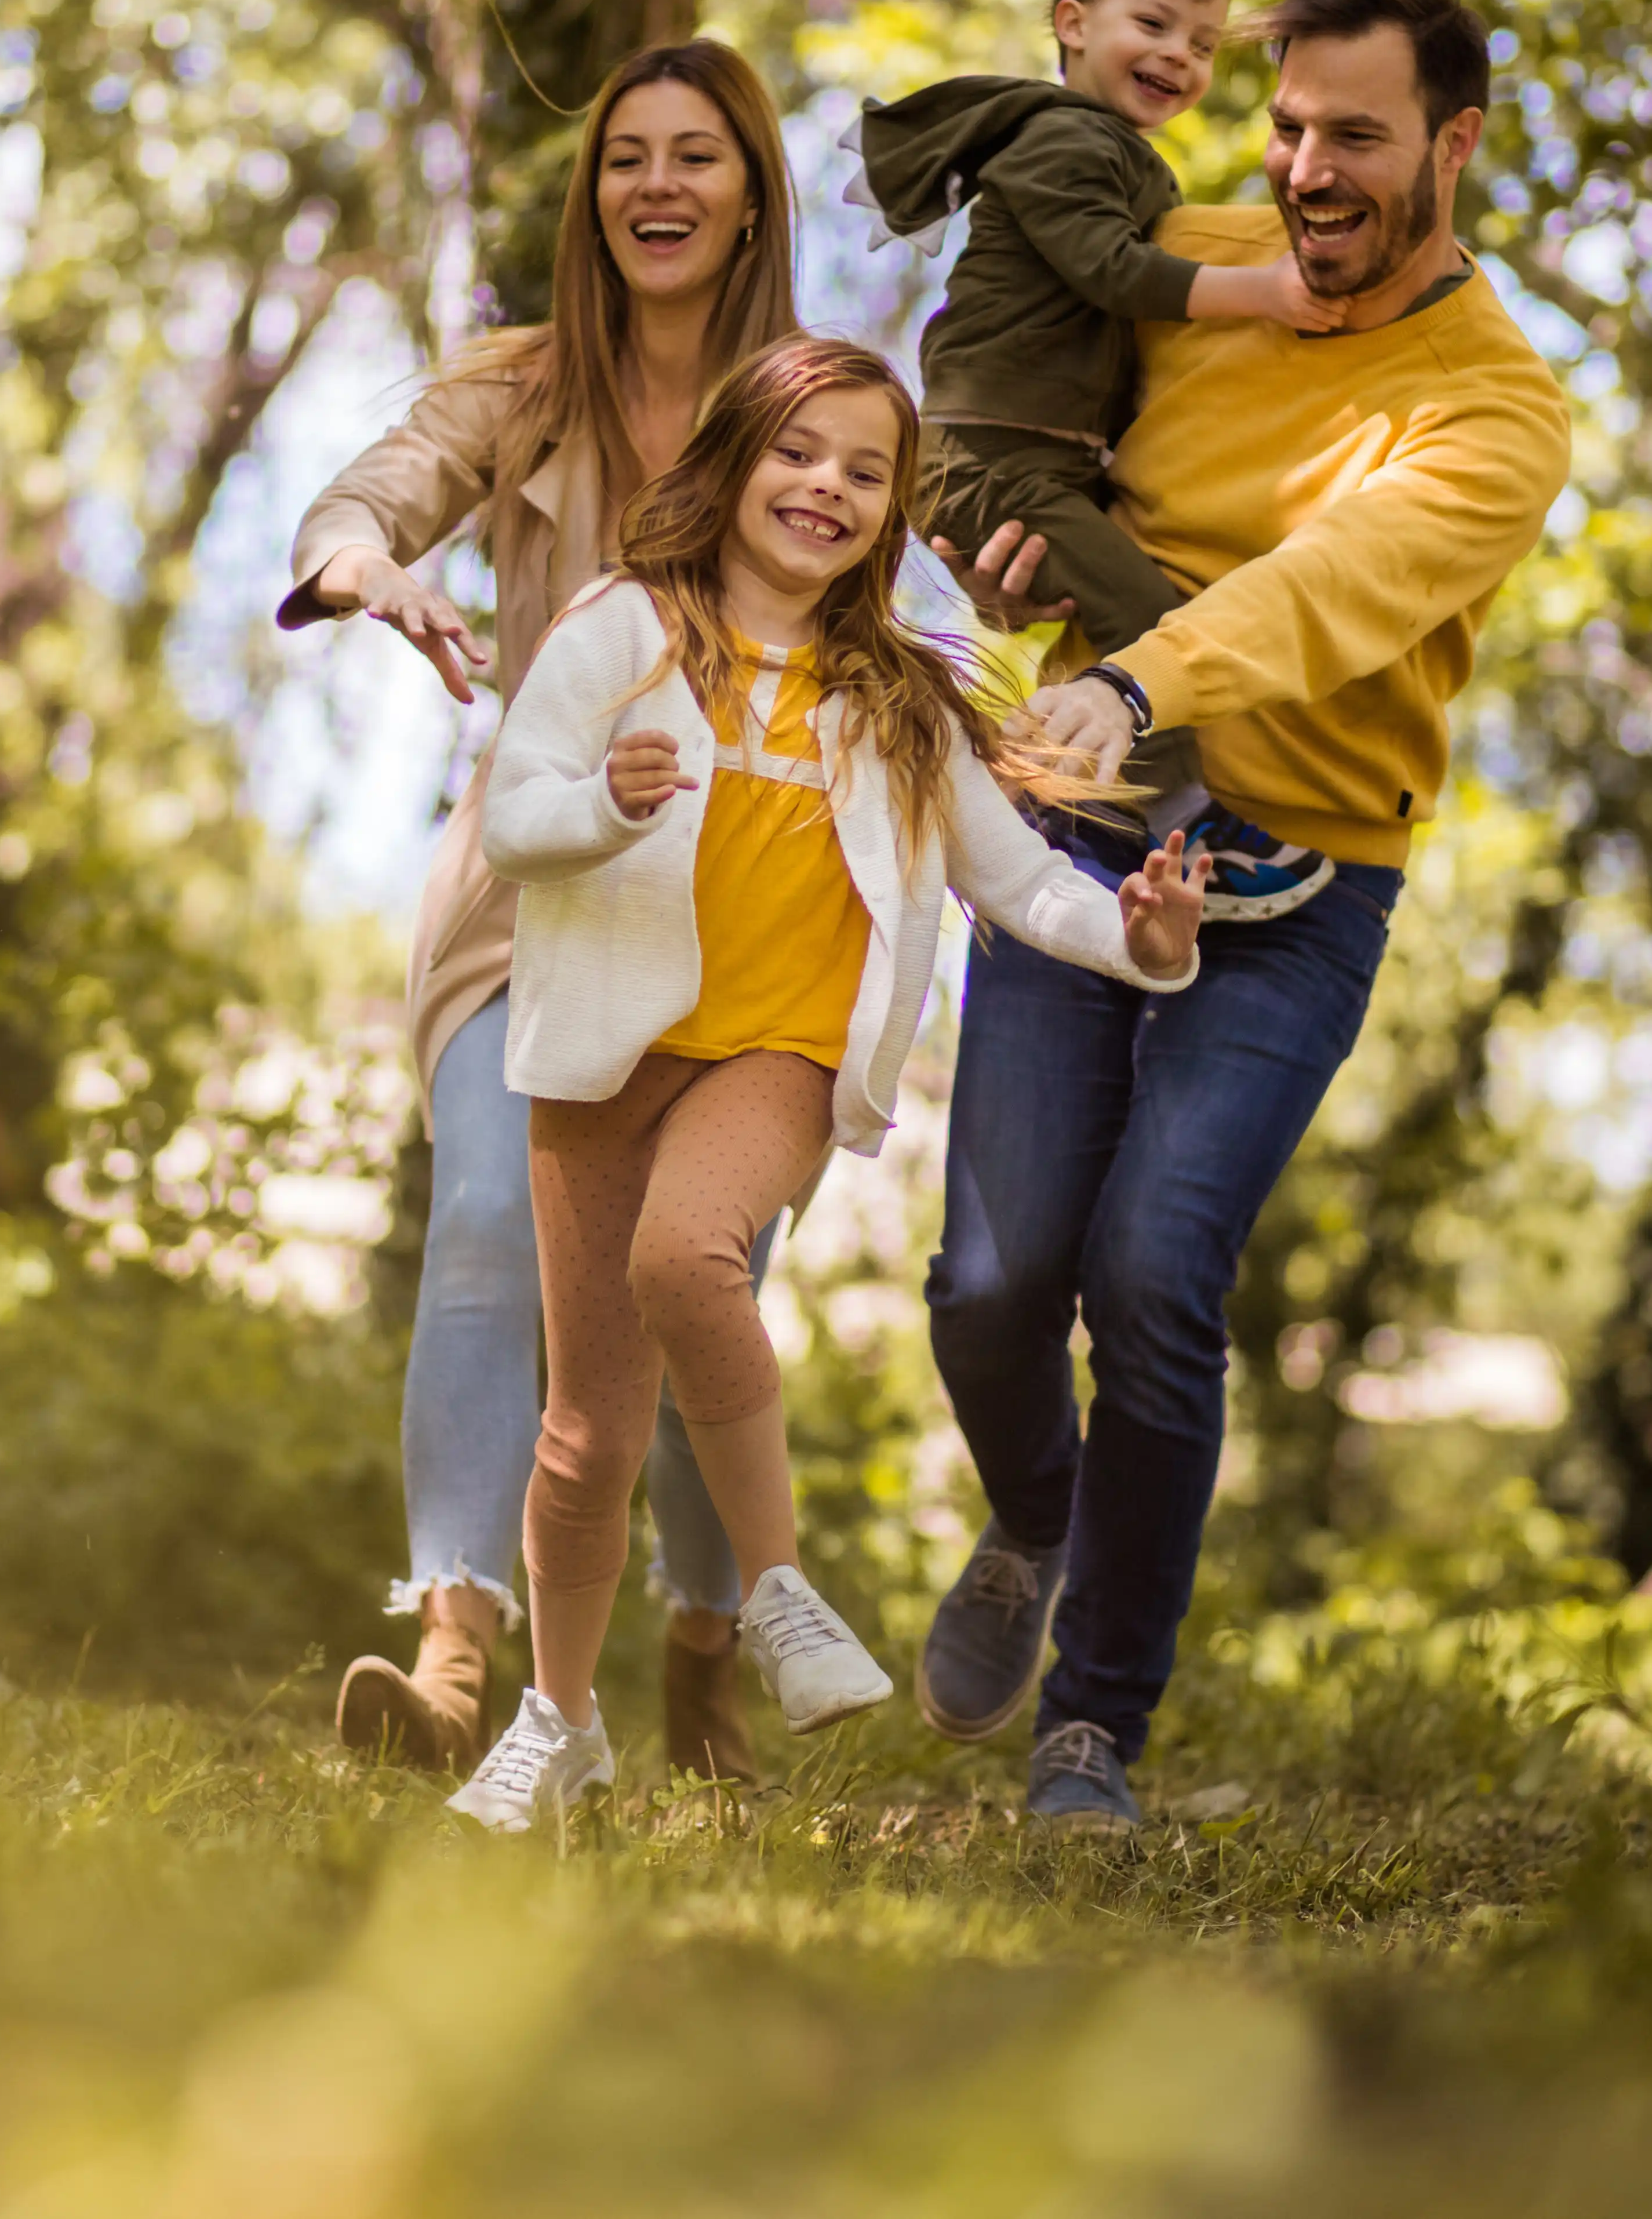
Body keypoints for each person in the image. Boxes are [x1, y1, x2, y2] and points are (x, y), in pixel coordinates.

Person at [910, 0, 1575, 1827]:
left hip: (1302, 877)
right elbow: (1001, 392)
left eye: (1354, 136)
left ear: (1456, 143)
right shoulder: (1189, 253)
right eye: (1286, 128)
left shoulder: (1496, 409)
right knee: (989, 1278)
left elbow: (1329, 588)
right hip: (1082, 822)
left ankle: (1092, 1728)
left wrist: (1136, 678)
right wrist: (996, 536)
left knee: (1151, 1271)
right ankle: (1037, 1520)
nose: (1305, 172)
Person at [442, 336, 1209, 1833]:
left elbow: (1020, 879)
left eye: (868, 472)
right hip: (607, 1047)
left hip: (777, 1056)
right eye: (802, 453)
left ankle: (779, 1590)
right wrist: (603, 803)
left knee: (687, 1255)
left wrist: (1137, 938)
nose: (828, 488)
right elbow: (516, 816)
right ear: (735, 459)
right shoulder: (623, 630)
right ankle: (559, 1719)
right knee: (585, 1430)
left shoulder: (901, 699)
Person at [282, 39, 806, 1784]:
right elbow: (362, 496)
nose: (656, 186)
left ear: (749, 199)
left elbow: (931, 594)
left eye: (695, 158)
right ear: (596, 200)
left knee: (691, 1275)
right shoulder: (517, 386)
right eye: (625, 160)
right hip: (538, 884)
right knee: (495, 1228)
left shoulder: (814, 410)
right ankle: (453, 1663)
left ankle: (704, 1646)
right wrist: (373, 567)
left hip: (752, 908)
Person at [856, 0, 1334, 879]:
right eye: (1153, 25)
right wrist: (1269, 290)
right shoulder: (1060, 139)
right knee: (1151, 627)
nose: (1178, 56)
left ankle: (1067, 809)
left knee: (1121, 617)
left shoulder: (1110, 150)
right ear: (1072, 22)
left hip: (1030, 458)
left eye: (1202, 44)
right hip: (990, 459)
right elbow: (1111, 272)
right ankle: (1162, 825)